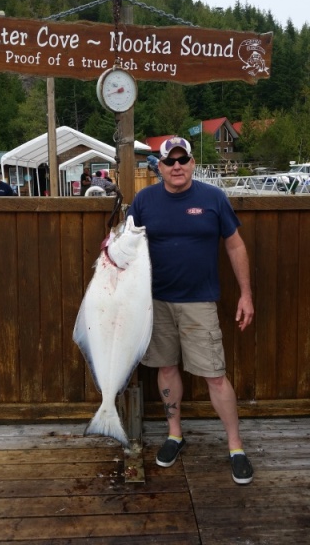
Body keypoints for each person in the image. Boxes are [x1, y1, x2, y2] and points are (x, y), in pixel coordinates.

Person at [128, 136, 254, 485]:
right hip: (154, 302)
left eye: (183, 160)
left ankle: (236, 446)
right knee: (166, 369)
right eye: (170, 161)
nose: (177, 166)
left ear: (193, 163)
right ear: (160, 167)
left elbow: (235, 245)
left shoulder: (213, 198)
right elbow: (124, 243)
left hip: (200, 302)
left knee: (215, 374)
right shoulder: (143, 200)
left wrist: (246, 295)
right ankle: (174, 434)